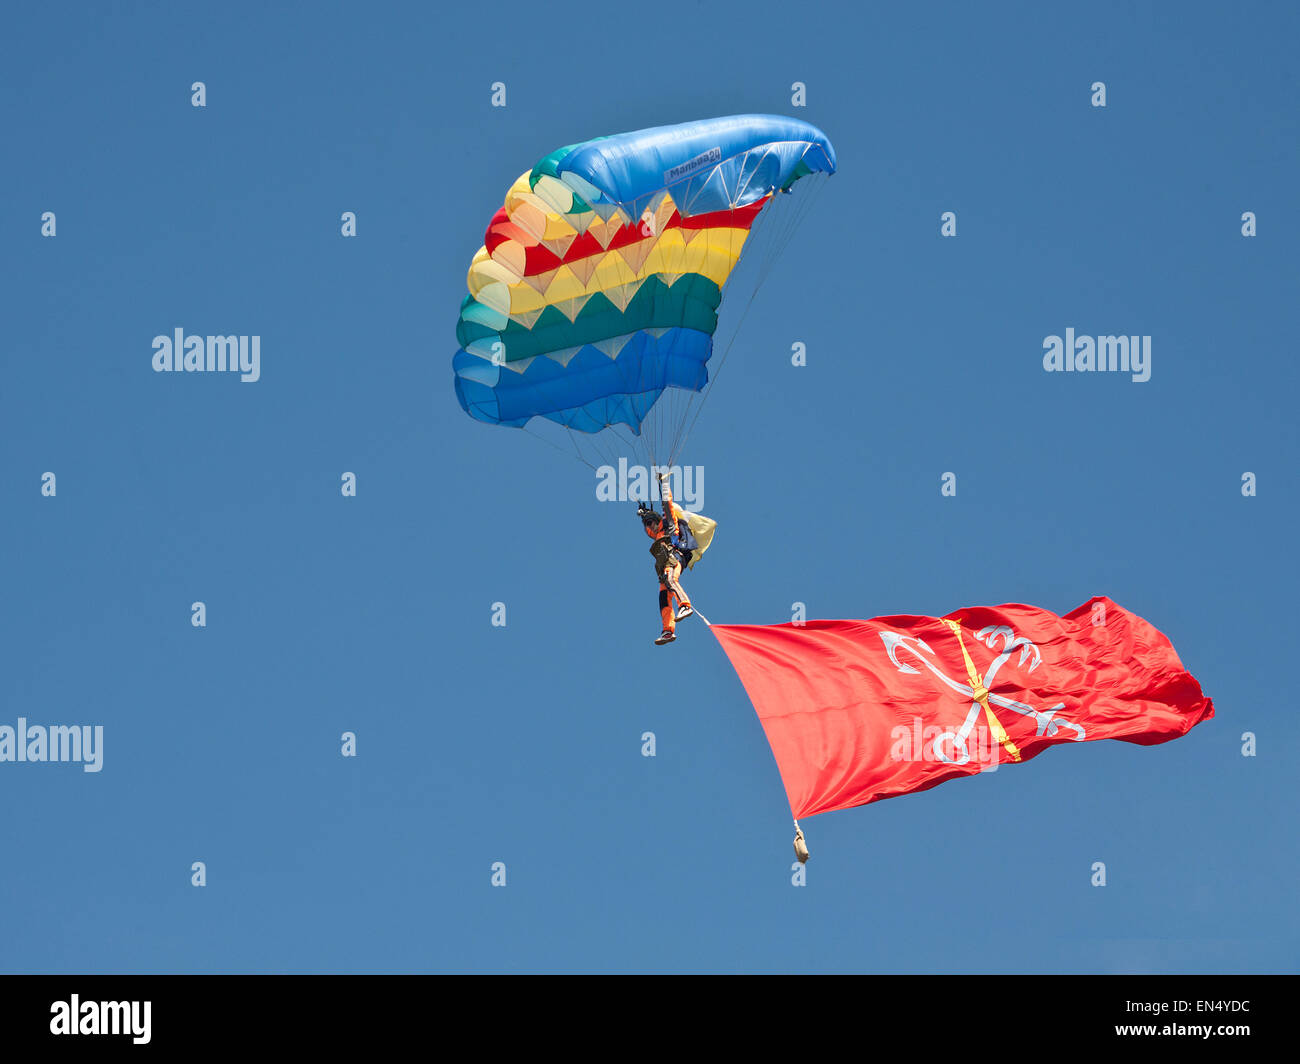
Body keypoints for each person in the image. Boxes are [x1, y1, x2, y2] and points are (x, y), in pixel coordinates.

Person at [638, 473, 696, 645]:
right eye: (646, 525)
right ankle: (667, 631)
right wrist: (643, 515)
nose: (649, 527)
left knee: (672, 579)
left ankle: (685, 605)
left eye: (650, 523)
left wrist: (663, 484)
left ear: (657, 521)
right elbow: (649, 528)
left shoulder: (670, 525)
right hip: (663, 566)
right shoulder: (655, 535)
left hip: (675, 557)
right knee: (663, 597)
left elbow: (667, 504)